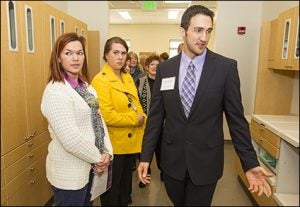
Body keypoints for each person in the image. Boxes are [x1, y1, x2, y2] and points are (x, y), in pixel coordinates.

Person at [137, 5, 273, 206]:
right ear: (183, 31)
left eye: (208, 31)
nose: (204, 38)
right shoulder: (166, 69)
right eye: (198, 30)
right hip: (172, 161)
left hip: (206, 161)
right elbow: (156, 117)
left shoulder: (225, 68)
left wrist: (249, 162)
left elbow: (236, 120)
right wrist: (146, 156)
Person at [40, 32, 113, 206]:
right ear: (58, 58)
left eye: (79, 53)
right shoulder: (56, 91)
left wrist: (108, 153)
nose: (75, 58)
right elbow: (70, 139)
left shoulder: (86, 87)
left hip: (91, 167)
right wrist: (98, 158)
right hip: (70, 173)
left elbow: (100, 122)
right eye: (68, 53)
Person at [91, 36, 146, 206]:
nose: (120, 57)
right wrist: (134, 119)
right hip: (113, 146)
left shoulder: (127, 77)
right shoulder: (100, 80)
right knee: (111, 195)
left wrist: (143, 116)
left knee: (124, 193)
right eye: (115, 52)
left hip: (129, 145)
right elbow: (106, 115)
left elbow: (136, 103)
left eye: (123, 53)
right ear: (106, 55)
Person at [135, 54, 161, 188]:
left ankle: (165, 174)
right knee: (145, 153)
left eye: (158, 65)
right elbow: (135, 101)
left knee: (162, 153)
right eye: (152, 64)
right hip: (145, 124)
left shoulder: (165, 82)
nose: (155, 67)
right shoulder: (140, 81)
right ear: (146, 67)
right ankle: (144, 176)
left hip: (163, 124)